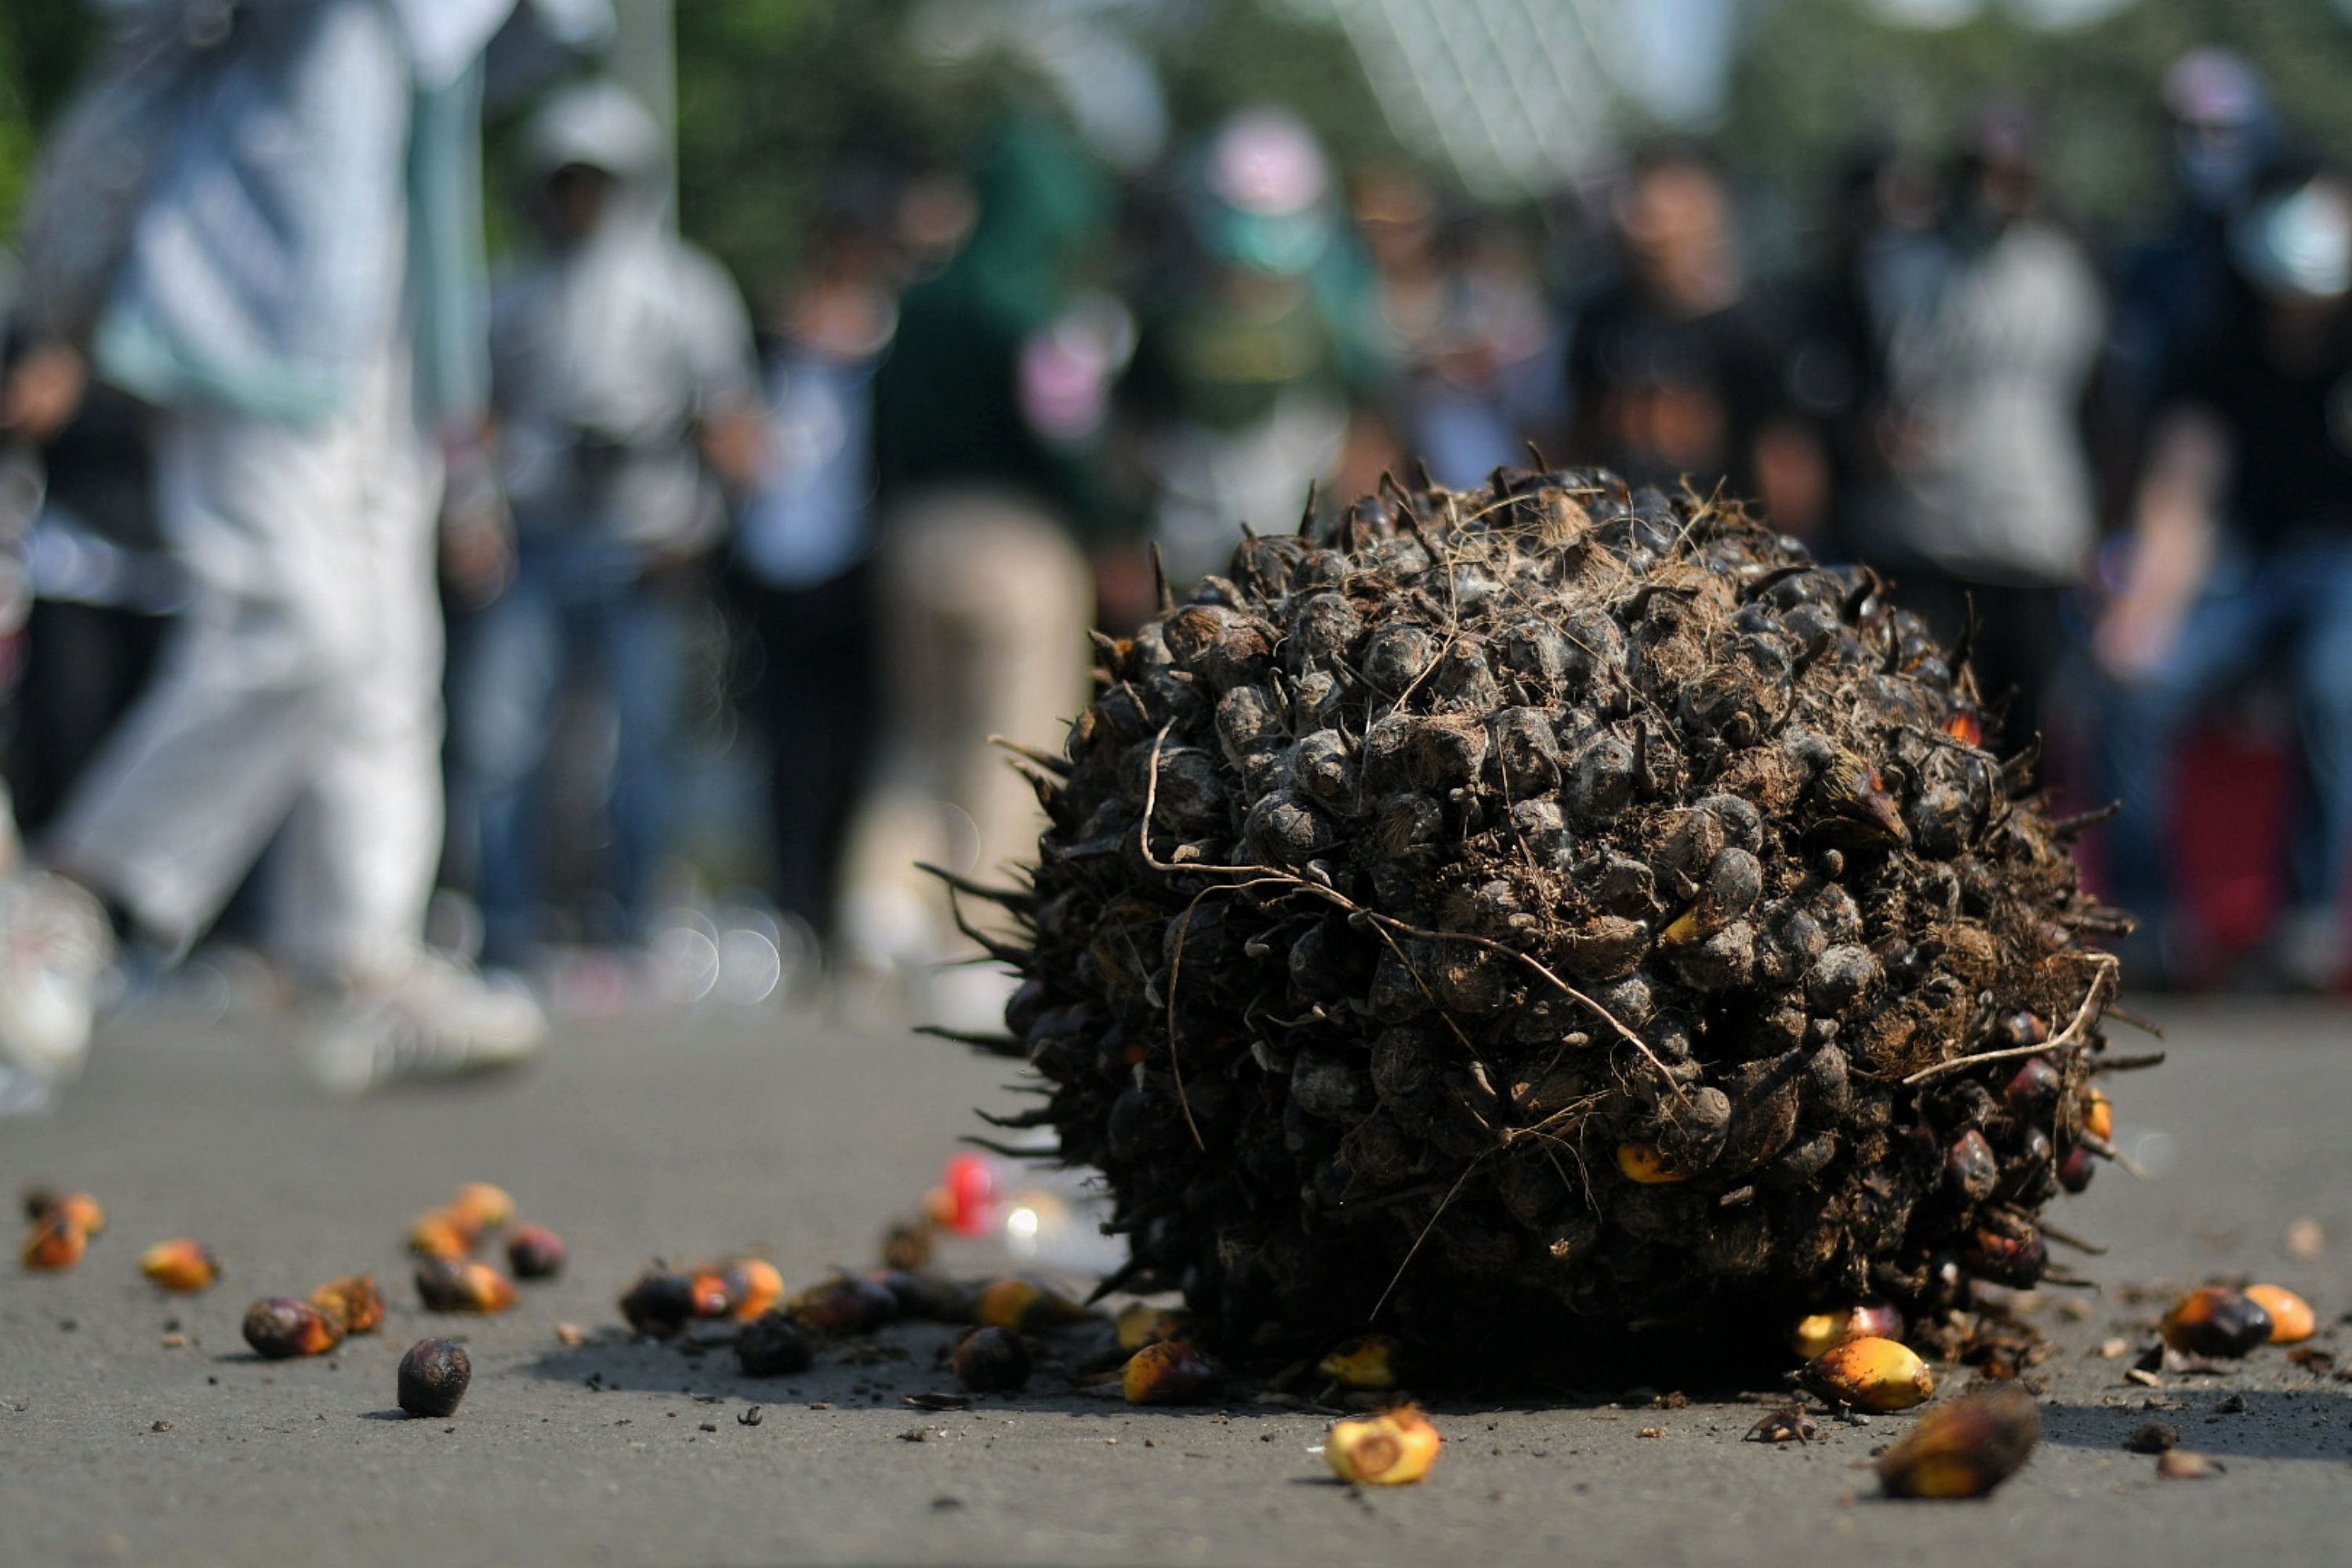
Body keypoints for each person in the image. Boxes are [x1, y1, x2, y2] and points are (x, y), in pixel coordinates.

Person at [0, 0, 609, 1112]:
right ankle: (68, 906)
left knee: (384, 658)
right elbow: (140, 49)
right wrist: (62, 302)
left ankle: (363, 960)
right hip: (246, 304)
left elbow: (536, 47)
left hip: (392, 337)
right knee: (299, 631)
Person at [446, 79, 761, 973]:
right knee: (499, 738)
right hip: (537, 537)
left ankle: (632, 925)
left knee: (646, 748)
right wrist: (470, 515)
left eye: (597, 179)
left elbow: (730, 423)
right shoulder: (509, 294)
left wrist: (708, 526)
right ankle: (504, 927)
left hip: (646, 542)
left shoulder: (685, 290)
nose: (580, 198)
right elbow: (478, 427)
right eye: (564, 179)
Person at [845, 119, 1117, 1029]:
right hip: (1018, 541)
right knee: (1012, 741)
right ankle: (976, 943)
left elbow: (874, 421)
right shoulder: (1040, 315)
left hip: (912, 532)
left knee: (918, 728)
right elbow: (1067, 443)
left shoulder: (918, 302)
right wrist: (1106, 519)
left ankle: (880, 902)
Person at [2095, 165, 2352, 990]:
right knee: (2134, 685)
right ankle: (2153, 920)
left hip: (2339, 568)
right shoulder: (2217, 343)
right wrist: (2143, 610)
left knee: (2334, 687)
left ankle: (2307, 925)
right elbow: (2184, 489)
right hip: (2240, 566)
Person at [1838, 108, 2106, 750]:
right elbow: (1843, 387)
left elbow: (2103, 408)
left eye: (2013, 172)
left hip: (2032, 545)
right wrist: (1866, 440)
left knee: (2026, 747)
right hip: (1920, 539)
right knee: (1921, 737)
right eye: (1983, 170)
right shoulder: (1892, 267)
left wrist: (2106, 527)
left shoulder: (2070, 273)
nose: (1996, 187)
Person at [728, 180, 900, 967]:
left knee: (858, 740)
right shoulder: (768, 336)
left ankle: (847, 903)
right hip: (775, 564)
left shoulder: (898, 338)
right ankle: (793, 902)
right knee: (783, 743)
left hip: (862, 564)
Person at [1568, 142, 1826, 537]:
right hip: (1618, 543)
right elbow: (1573, 440)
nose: (1646, 229)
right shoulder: (1600, 325)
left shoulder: (1753, 327)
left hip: (1721, 545)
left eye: (1664, 215)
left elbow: (1786, 462)